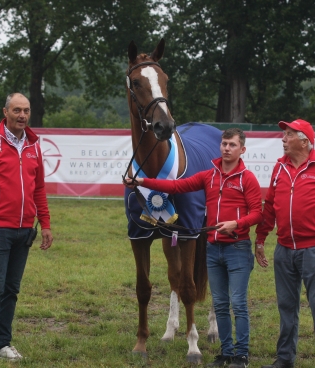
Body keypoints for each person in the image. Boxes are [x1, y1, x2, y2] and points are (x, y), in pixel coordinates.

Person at [123, 128, 263, 368]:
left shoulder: (247, 178)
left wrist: (237, 224)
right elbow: (178, 187)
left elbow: (258, 212)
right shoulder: (208, 176)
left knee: (238, 303)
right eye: (224, 144)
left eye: (232, 145)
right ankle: (226, 352)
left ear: (242, 150)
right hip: (213, 245)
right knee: (219, 302)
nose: (227, 148)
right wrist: (142, 181)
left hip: (237, 246)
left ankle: (242, 354)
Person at [0, 93, 53, 364]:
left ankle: (3, 343)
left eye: (26, 110)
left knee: (11, 289)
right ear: (5, 112)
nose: (22, 115)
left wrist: (45, 223)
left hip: (25, 229)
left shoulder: (34, 146)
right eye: (16, 110)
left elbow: (39, 188)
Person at [255, 119, 315, 368]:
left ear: (304, 140)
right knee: (286, 307)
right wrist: (260, 238)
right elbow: (270, 206)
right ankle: (285, 358)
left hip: (312, 249)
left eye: (289, 134)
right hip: (284, 250)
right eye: (283, 134)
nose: (283, 138)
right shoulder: (279, 168)